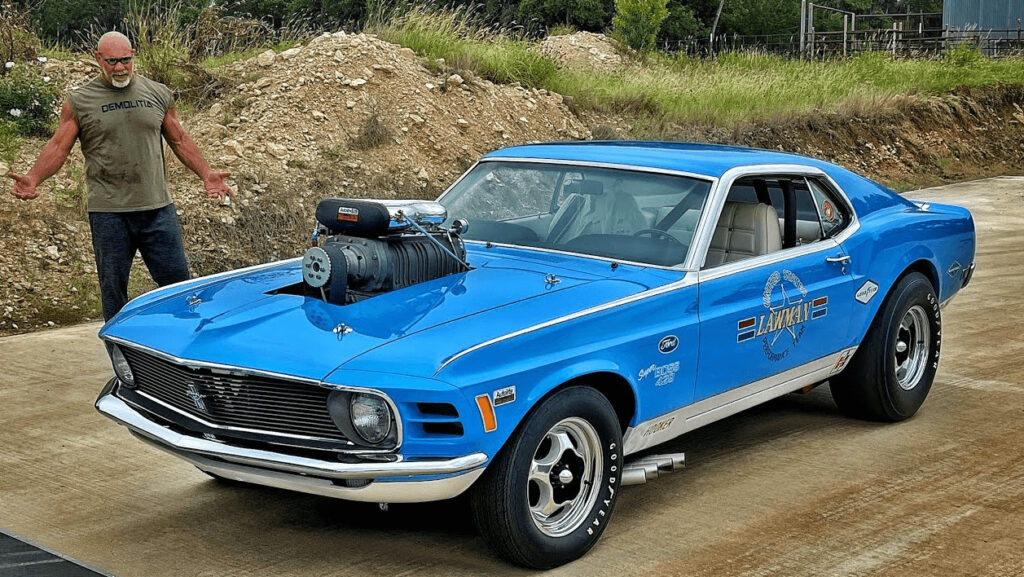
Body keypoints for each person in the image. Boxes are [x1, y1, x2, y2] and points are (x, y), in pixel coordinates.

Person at [8, 31, 233, 321]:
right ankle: (121, 359)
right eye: (112, 61)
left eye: (125, 60)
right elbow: (58, 146)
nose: (119, 68)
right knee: (114, 293)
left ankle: (182, 355)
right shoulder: (80, 100)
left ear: (133, 57)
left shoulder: (157, 93)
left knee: (179, 288)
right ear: (98, 59)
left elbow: (179, 139)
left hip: (157, 208)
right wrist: (34, 178)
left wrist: (206, 173)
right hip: (109, 213)